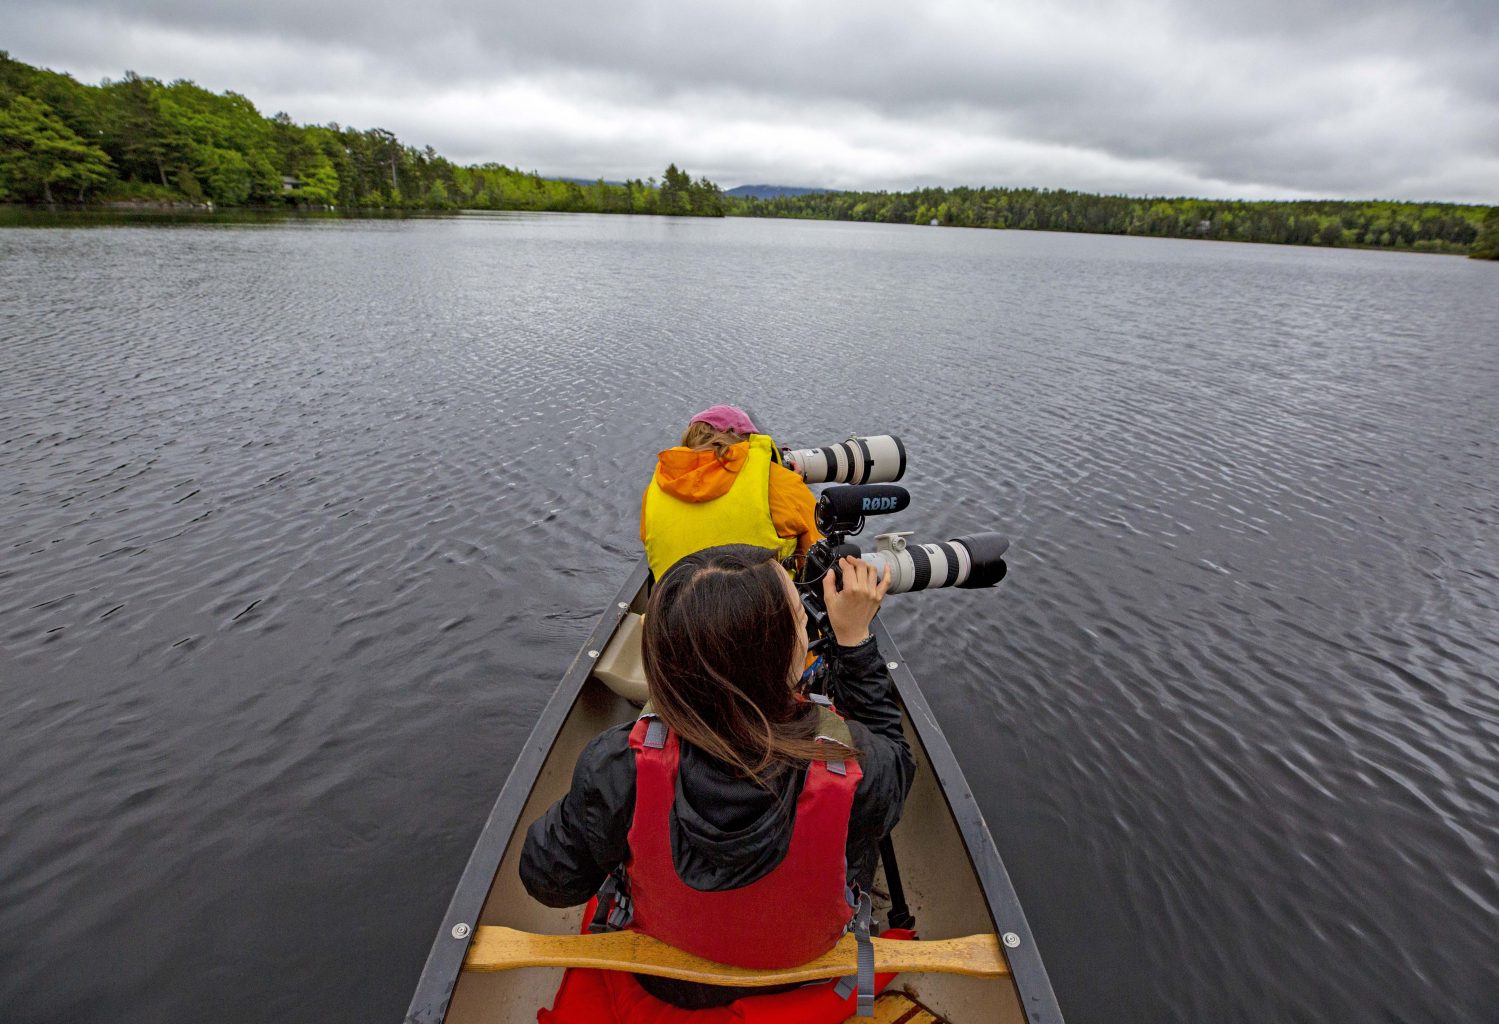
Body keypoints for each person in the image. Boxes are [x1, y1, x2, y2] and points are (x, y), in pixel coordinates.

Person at [520, 544, 915, 1022]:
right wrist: (853, 643)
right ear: (777, 657)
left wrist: (601, 820)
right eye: (798, 617)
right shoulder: (855, 763)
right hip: (803, 969)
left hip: (672, 982)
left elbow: (551, 881)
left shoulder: (616, 765)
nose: (811, 627)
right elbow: (898, 767)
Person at [640, 406, 820, 581]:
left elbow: (649, 540)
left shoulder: (656, 488)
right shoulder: (779, 482)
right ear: (748, 440)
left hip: (677, 607)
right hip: (765, 607)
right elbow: (818, 550)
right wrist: (791, 486)